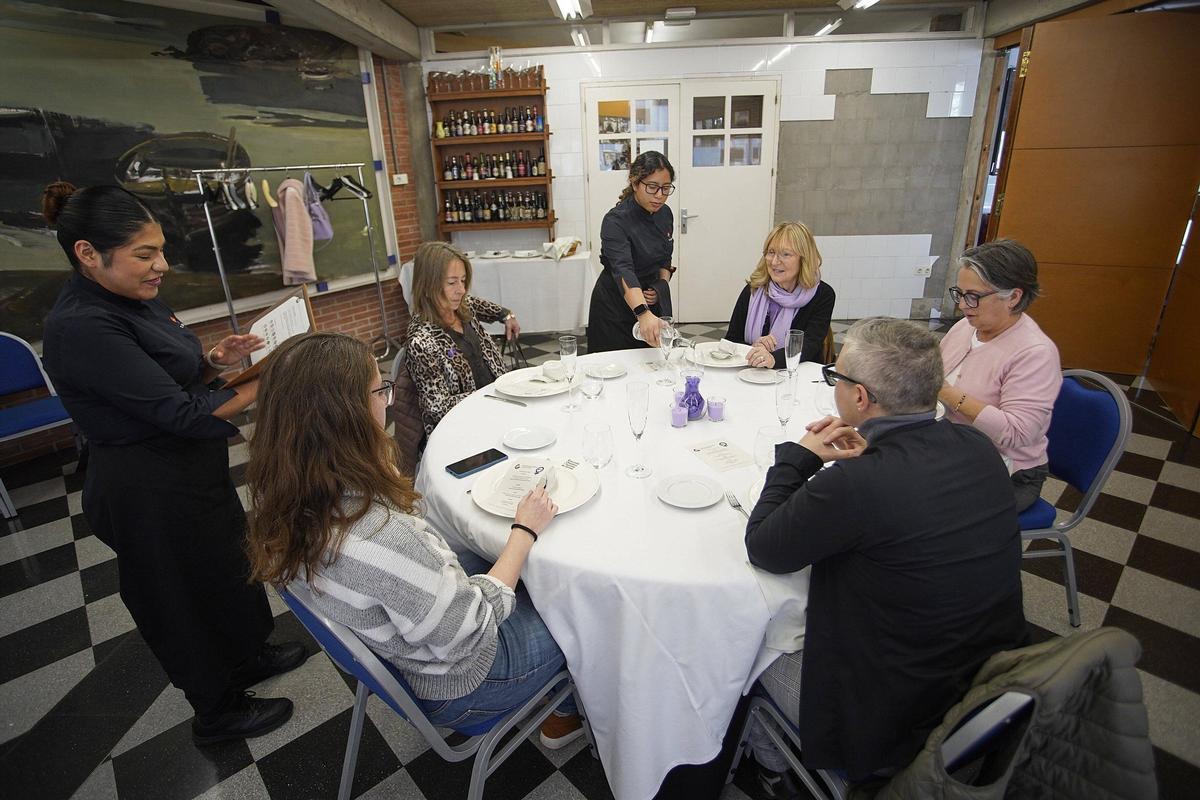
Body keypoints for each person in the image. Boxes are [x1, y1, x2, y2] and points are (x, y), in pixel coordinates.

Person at [39, 182, 304, 746]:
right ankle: (217, 712)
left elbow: (171, 367)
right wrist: (269, 377)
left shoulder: (136, 297)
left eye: (159, 249)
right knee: (178, 598)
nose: (161, 265)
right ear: (89, 253)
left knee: (224, 567)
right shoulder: (83, 325)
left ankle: (246, 656)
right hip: (144, 488)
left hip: (190, 472)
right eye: (144, 254)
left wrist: (215, 359)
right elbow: (178, 412)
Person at [244, 332, 584, 748]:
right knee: (583, 613)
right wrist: (524, 530)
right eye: (378, 390)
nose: (385, 402)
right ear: (345, 414)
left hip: (401, 646)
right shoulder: (379, 536)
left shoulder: (277, 493)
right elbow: (470, 630)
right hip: (467, 680)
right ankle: (565, 715)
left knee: (501, 564)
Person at [743, 317, 1026, 795]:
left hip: (895, 719)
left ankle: (773, 767)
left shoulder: (857, 485)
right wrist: (872, 448)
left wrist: (799, 457)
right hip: (989, 684)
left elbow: (765, 546)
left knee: (748, 650)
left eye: (837, 377)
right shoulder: (976, 446)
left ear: (860, 398)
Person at [938, 239, 1062, 512]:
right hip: (954, 450)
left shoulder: (1035, 353)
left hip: (1008, 472)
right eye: (959, 293)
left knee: (916, 509)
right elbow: (934, 369)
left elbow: (1017, 433)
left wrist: (945, 392)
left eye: (973, 296)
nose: (962, 305)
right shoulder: (965, 327)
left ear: (1014, 297)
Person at [406, 241, 520, 434]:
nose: (461, 290)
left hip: (500, 407)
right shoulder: (421, 342)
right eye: (451, 282)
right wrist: (490, 395)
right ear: (427, 286)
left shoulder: (463, 307)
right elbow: (438, 407)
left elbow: (487, 307)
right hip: (464, 425)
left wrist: (507, 316)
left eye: (463, 280)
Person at [586, 150, 676, 352]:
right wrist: (643, 312)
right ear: (635, 183)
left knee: (651, 366)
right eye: (652, 187)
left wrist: (661, 284)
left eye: (666, 188)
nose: (660, 196)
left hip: (647, 302)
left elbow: (665, 258)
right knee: (612, 368)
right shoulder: (615, 221)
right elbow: (623, 270)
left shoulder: (665, 214)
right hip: (615, 307)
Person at [725, 221, 835, 369]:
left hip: (798, 374)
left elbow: (809, 346)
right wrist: (753, 347)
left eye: (786, 254)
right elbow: (731, 341)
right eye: (771, 252)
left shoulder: (822, 295)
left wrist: (772, 358)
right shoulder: (754, 289)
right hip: (753, 373)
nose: (775, 262)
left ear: (804, 259)